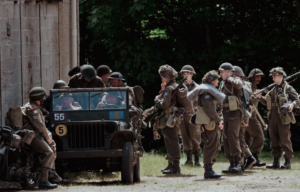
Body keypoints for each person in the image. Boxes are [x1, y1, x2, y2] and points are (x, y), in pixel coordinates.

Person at [188, 70, 225, 179]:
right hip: (210, 122)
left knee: (213, 144)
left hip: (211, 121)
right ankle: (208, 170)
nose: (218, 81)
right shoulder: (206, 93)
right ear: (212, 81)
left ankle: (209, 168)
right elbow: (210, 110)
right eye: (216, 79)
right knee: (211, 145)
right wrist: (219, 120)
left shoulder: (208, 91)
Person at [261, 67, 300, 169]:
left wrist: (292, 104)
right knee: (274, 139)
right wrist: (259, 98)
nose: (273, 78)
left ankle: (287, 162)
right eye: (273, 76)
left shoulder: (288, 88)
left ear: (280, 76)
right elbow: (267, 103)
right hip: (272, 116)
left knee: (284, 140)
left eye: (274, 76)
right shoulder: (272, 89)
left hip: (283, 116)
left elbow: (297, 100)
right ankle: (276, 161)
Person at [21, 87, 59, 189]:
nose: (44, 99)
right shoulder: (32, 109)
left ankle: (51, 171)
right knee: (48, 152)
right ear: (39, 98)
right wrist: (47, 137)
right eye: (43, 97)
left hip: (35, 135)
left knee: (53, 145)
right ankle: (43, 181)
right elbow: (39, 126)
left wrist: (48, 135)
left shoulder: (34, 107)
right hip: (31, 137)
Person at [154, 65, 181, 174]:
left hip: (169, 118)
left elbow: (164, 104)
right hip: (172, 117)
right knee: (170, 141)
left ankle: (175, 166)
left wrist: (156, 99)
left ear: (166, 76)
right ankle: (171, 164)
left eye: (162, 75)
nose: (161, 77)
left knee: (172, 141)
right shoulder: (173, 86)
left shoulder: (169, 88)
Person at [218, 62, 243, 173]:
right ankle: (231, 163)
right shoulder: (222, 84)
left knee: (233, 136)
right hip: (225, 113)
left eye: (222, 71)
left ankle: (238, 162)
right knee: (226, 138)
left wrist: (229, 78)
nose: (220, 74)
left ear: (228, 72)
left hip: (235, 113)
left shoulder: (235, 80)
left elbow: (239, 84)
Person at [232, 66, 257, 170]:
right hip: (243, 113)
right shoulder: (246, 84)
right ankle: (242, 162)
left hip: (241, 114)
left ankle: (248, 158)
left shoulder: (241, 84)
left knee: (239, 138)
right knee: (239, 137)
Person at [179, 65, 202, 166]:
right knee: (185, 137)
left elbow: (201, 102)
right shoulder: (179, 87)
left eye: (188, 74)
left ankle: (197, 159)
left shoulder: (197, 87)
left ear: (192, 74)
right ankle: (188, 159)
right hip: (182, 115)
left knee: (195, 136)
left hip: (194, 115)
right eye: (184, 74)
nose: (186, 76)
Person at [245, 68, 266, 167]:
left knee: (247, 139)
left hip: (251, 115)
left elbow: (265, 103)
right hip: (249, 115)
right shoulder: (247, 87)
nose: (259, 79)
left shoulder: (255, 88)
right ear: (251, 77)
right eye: (257, 77)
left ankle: (247, 159)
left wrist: (260, 97)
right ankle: (254, 157)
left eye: (260, 77)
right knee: (259, 137)